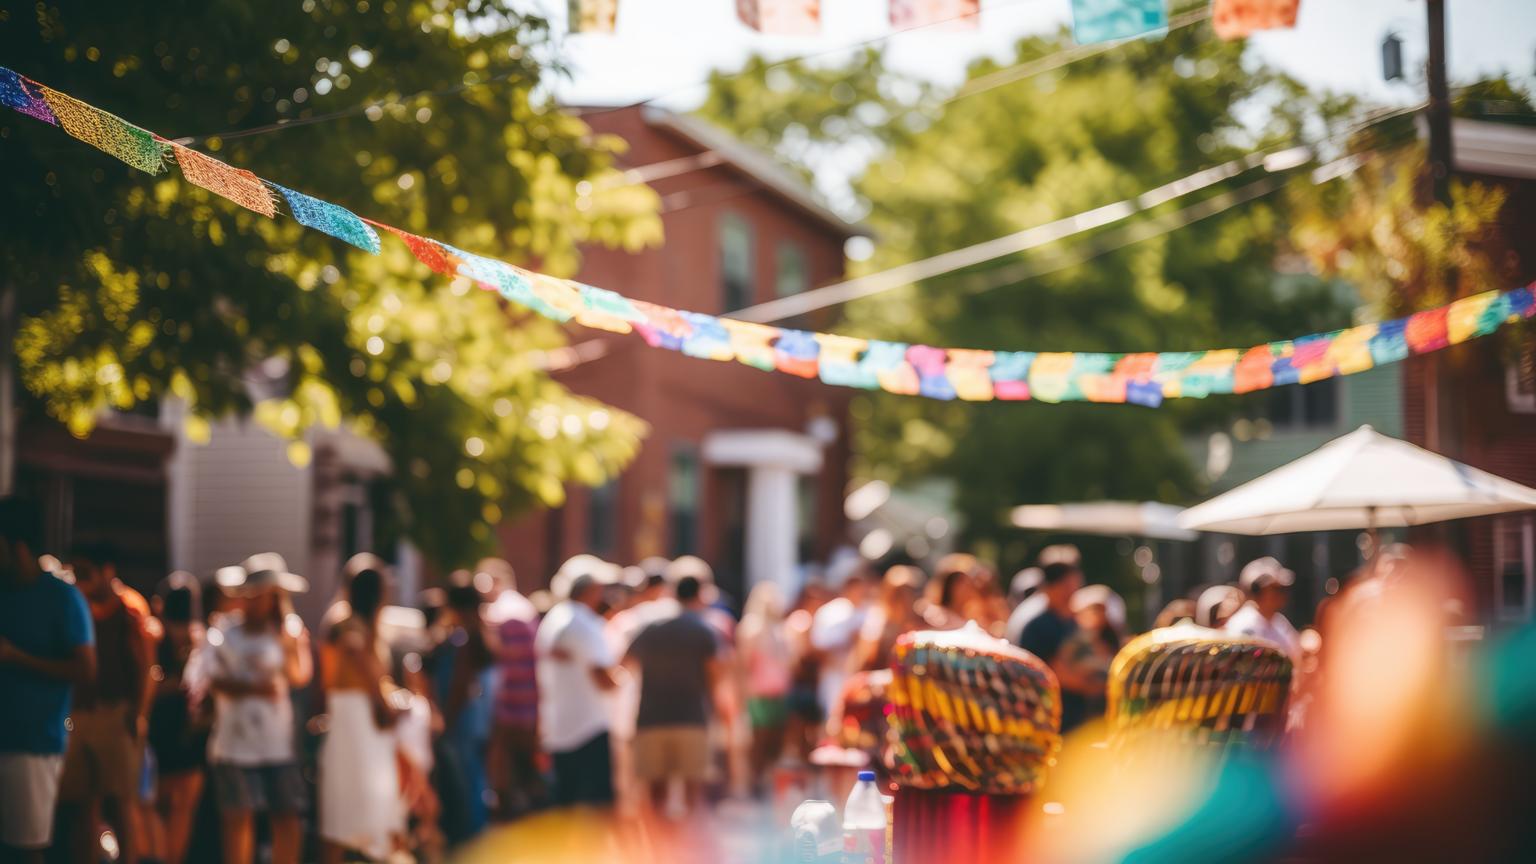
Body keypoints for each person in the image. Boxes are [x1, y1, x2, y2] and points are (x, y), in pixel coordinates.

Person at [0, 499, 96, 864]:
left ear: (17, 546)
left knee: (25, 849)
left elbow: (86, 671)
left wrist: (15, 656)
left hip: (33, 744)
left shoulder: (62, 598)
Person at [205, 554, 313, 864]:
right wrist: (256, 688)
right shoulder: (225, 632)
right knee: (238, 818)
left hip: (278, 743)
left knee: (287, 817)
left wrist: (290, 644)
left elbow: (299, 676)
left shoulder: (288, 632)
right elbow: (213, 681)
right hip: (235, 743)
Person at [59, 541, 153, 864]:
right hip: (81, 714)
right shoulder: (77, 602)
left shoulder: (130, 609)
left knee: (124, 800)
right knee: (84, 801)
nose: (80, 580)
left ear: (106, 571)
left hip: (117, 714)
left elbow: (145, 667)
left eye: (85, 573)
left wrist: (139, 713)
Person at [319, 565, 406, 862]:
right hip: (353, 718)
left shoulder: (361, 624)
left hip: (364, 720)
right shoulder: (345, 623)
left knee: (373, 800)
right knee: (346, 803)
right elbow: (361, 664)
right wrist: (384, 703)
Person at [624, 576, 724, 817]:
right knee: (692, 793)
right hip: (691, 718)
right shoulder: (702, 630)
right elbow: (715, 675)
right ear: (698, 595)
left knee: (655, 794)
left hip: (650, 718)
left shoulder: (650, 627)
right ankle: (688, 847)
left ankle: (658, 849)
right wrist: (717, 712)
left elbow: (625, 664)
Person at [535, 572, 620, 806]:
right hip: (587, 727)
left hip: (559, 725)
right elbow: (602, 676)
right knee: (595, 808)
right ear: (591, 591)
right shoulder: (582, 623)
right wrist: (621, 682)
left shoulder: (555, 618)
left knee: (565, 801)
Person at [147, 573, 209, 864]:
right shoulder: (201, 639)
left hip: (160, 729)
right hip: (188, 731)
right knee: (181, 810)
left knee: (155, 806)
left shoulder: (154, 635)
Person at [430, 573, 497, 841]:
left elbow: (459, 686)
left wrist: (445, 721)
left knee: (462, 792)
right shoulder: (479, 636)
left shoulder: (462, 641)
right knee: (474, 784)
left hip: (459, 726)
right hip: (476, 725)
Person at [482, 558, 542, 819]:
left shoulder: (500, 613)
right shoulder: (525, 609)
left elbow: (499, 663)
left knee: (505, 770)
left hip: (509, 704)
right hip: (529, 704)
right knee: (526, 771)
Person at [1014, 561, 1101, 733]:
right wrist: (1099, 687)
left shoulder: (1073, 622)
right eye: (1067, 585)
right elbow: (1056, 674)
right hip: (1046, 720)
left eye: (1075, 585)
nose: (1072, 592)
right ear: (1051, 586)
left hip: (1074, 718)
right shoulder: (1038, 626)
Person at [735, 582, 792, 797]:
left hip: (777, 692)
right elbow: (744, 663)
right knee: (758, 740)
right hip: (758, 693)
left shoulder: (779, 629)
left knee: (774, 741)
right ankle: (754, 784)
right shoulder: (752, 628)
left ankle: (769, 783)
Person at [810, 571, 872, 733]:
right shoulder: (831, 613)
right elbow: (818, 647)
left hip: (860, 678)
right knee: (833, 721)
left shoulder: (869, 612)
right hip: (835, 676)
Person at [1061, 584, 1127, 722]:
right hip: (1081, 708)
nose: (1098, 615)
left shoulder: (1113, 639)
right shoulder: (1074, 640)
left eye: (1101, 610)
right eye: (1093, 610)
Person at [1225, 557, 1301, 659]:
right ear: (1256, 591)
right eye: (1275, 588)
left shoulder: (1280, 622)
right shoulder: (1241, 625)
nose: (1282, 593)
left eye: (1282, 588)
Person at [852, 565, 923, 673]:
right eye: (898, 595)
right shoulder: (877, 623)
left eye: (908, 593)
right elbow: (864, 661)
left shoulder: (922, 622)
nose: (904, 600)